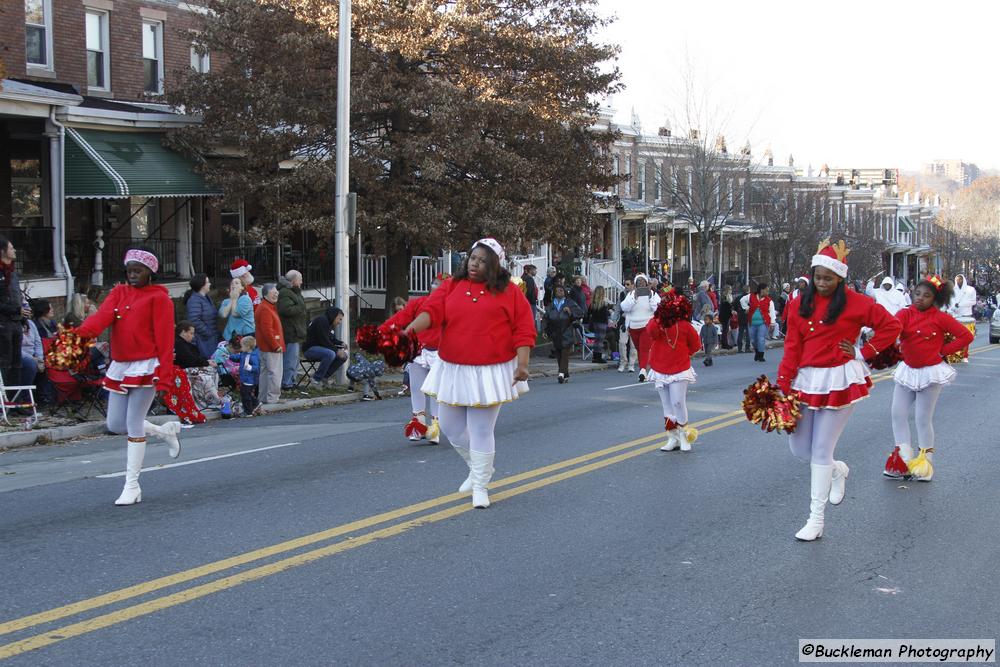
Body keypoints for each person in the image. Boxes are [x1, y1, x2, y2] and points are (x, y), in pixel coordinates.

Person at [777, 240, 902, 541]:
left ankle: (815, 519)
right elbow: (792, 346)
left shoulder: (857, 302)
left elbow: (892, 326)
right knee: (800, 449)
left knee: (821, 449)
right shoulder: (797, 304)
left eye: (828, 278)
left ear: (840, 278)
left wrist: (864, 351)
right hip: (805, 380)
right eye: (818, 277)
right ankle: (837, 470)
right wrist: (782, 385)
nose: (822, 283)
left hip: (840, 379)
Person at [404, 238, 534, 509]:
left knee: (481, 429)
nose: (475, 264)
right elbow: (432, 311)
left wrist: (523, 363)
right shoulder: (452, 285)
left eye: (483, 261)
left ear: (496, 266)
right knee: (450, 426)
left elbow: (523, 328)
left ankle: (480, 486)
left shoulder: (510, 292)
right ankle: (480, 470)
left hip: (491, 369)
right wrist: (409, 331)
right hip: (453, 367)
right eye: (473, 258)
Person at [74, 248, 184, 506]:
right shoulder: (118, 293)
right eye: (130, 270)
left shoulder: (160, 299)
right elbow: (101, 318)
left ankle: (132, 485)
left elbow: (165, 340)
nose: (133, 275)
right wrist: (77, 336)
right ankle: (164, 432)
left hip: (147, 366)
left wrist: (165, 376)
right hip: (121, 366)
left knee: (133, 423)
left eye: (139, 270)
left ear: (150, 272)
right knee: (115, 424)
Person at [888, 276, 974, 481]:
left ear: (935, 299)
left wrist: (943, 351)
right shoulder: (904, 313)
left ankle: (925, 464)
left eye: (926, 296)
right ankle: (903, 460)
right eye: (917, 294)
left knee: (922, 418)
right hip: (907, 370)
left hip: (931, 373)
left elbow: (966, 336)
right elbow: (890, 328)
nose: (920, 298)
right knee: (897, 414)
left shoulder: (940, 317)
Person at [381, 274, 447, 444]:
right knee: (417, 389)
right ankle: (418, 427)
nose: (435, 286)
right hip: (419, 351)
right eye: (434, 283)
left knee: (434, 391)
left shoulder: (451, 306)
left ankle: (434, 429)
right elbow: (401, 318)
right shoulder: (418, 303)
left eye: (439, 285)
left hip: (441, 353)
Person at [646, 296, 701, 452]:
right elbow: (650, 332)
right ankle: (672, 437)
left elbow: (696, 345)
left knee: (677, 402)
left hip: (679, 369)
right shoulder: (658, 324)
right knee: (667, 406)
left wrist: (684, 354)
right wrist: (657, 317)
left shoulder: (685, 326)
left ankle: (684, 435)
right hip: (659, 368)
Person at [620, 273, 661, 382]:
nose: (641, 283)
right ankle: (649, 366)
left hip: (646, 325)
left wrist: (650, 297)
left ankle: (643, 370)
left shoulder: (652, 294)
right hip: (633, 326)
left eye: (643, 281)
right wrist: (634, 298)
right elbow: (624, 307)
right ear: (636, 284)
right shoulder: (631, 294)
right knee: (639, 349)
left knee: (644, 349)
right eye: (639, 282)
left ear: (647, 283)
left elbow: (657, 308)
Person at [0, 235, 28, 392]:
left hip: (16, 322)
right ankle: (3, 400)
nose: (14, 250)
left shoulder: (13, 274)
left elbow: (17, 296)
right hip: (3, 324)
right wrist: (16, 310)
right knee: (5, 361)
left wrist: (23, 316)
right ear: (2, 251)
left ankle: (15, 400)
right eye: (11, 248)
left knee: (17, 362)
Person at [174, 320, 221, 410]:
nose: (193, 336)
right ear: (183, 332)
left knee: (212, 370)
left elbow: (194, 358)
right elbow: (190, 360)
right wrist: (207, 362)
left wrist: (207, 362)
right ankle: (210, 401)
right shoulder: (179, 344)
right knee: (208, 374)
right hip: (182, 370)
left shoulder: (184, 344)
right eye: (191, 333)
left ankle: (209, 400)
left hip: (187, 368)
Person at [546, 284, 583, 383]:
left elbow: (580, 313)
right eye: (557, 290)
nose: (559, 292)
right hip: (555, 332)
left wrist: (570, 312)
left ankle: (561, 374)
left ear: (564, 292)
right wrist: (546, 331)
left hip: (566, 331)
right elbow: (546, 318)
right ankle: (565, 374)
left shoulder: (569, 302)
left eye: (561, 290)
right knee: (558, 353)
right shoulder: (551, 305)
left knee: (564, 353)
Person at [254, 283, 285, 404]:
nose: (276, 294)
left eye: (276, 292)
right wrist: (276, 345)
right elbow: (267, 330)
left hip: (265, 347)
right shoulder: (266, 309)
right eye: (273, 292)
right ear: (265, 294)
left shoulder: (265, 307)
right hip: (272, 347)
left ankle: (264, 398)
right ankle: (272, 398)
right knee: (274, 373)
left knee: (265, 372)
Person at [278, 270, 308, 390]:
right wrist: (301, 307)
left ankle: (292, 380)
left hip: (296, 331)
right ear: (294, 280)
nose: (302, 281)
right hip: (290, 331)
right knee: (290, 359)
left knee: (294, 359)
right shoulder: (285, 292)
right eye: (300, 278)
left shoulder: (294, 291)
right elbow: (286, 310)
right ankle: (287, 382)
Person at [304, 306, 348, 385]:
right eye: (339, 319)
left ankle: (324, 377)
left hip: (321, 349)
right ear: (334, 316)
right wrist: (336, 350)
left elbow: (332, 339)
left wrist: (341, 343)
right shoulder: (322, 321)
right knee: (330, 354)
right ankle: (316, 379)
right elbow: (324, 340)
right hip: (310, 349)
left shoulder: (329, 324)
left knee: (344, 356)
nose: (339, 322)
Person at [184, 273, 219, 359]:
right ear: (201, 285)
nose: (210, 284)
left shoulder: (206, 297)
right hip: (203, 340)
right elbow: (194, 320)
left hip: (210, 338)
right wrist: (208, 333)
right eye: (208, 282)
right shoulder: (194, 300)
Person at [740, 283, 776, 362]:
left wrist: (772, 322)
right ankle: (757, 351)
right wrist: (746, 308)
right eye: (767, 291)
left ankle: (761, 355)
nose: (768, 292)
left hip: (763, 322)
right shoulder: (751, 296)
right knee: (753, 339)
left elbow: (772, 312)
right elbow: (742, 300)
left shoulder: (769, 301)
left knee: (761, 338)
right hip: (752, 322)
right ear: (762, 290)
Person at [947, 273, 977, 363]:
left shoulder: (970, 289)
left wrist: (961, 304)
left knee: (966, 337)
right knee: (954, 337)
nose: (958, 281)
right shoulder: (952, 290)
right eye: (957, 279)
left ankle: (965, 355)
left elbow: (973, 301)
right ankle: (956, 354)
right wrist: (952, 309)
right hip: (955, 316)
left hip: (966, 315)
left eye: (960, 279)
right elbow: (950, 302)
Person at [233, 335, 262, 415]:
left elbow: (256, 368)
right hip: (244, 378)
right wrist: (230, 357)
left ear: (248, 347)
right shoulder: (244, 354)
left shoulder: (253, 356)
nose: (241, 348)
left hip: (250, 379)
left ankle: (248, 411)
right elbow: (238, 357)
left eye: (242, 346)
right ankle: (255, 402)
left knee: (246, 395)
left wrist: (250, 368)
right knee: (245, 394)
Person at [219, 278, 254, 342]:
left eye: (236, 283)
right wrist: (232, 300)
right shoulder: (226, 301)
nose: (233, 285)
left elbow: (235, 314)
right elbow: (223, 315)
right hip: (229, 335)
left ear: (242, 287)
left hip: (245, 335)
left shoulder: (246, 299)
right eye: (232, 283)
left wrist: (234, 299)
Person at [615, 277, 637, 372]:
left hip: (634, 322)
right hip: (624, 322)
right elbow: (618, 307)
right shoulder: (622, 294)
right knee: (622, 342)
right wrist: (614, 319)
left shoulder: (637, 295)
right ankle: (623, 362)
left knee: (633, 344)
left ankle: (631, 364)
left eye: (628, 284)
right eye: (625, 284)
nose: (626, 286)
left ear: (633, 285)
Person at [587, 286, 612, 364]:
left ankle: (595, 356)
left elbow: (589, 313)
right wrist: (609, 312)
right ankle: (598, 357)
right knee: (600, 341)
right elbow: (605, 315)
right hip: (602, 324)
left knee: (597, 341)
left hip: (595, 323)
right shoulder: (603, 304)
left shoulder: (593, 303)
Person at [734, 283, 751, 353]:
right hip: (748, 315)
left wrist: (738, 311)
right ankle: (747, 347)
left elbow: (734, 306)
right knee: (748, 332)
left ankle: (739, 348)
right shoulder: (750, 298)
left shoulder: (738, 298)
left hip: (740, 315)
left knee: (740, 332)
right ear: (749, 290)